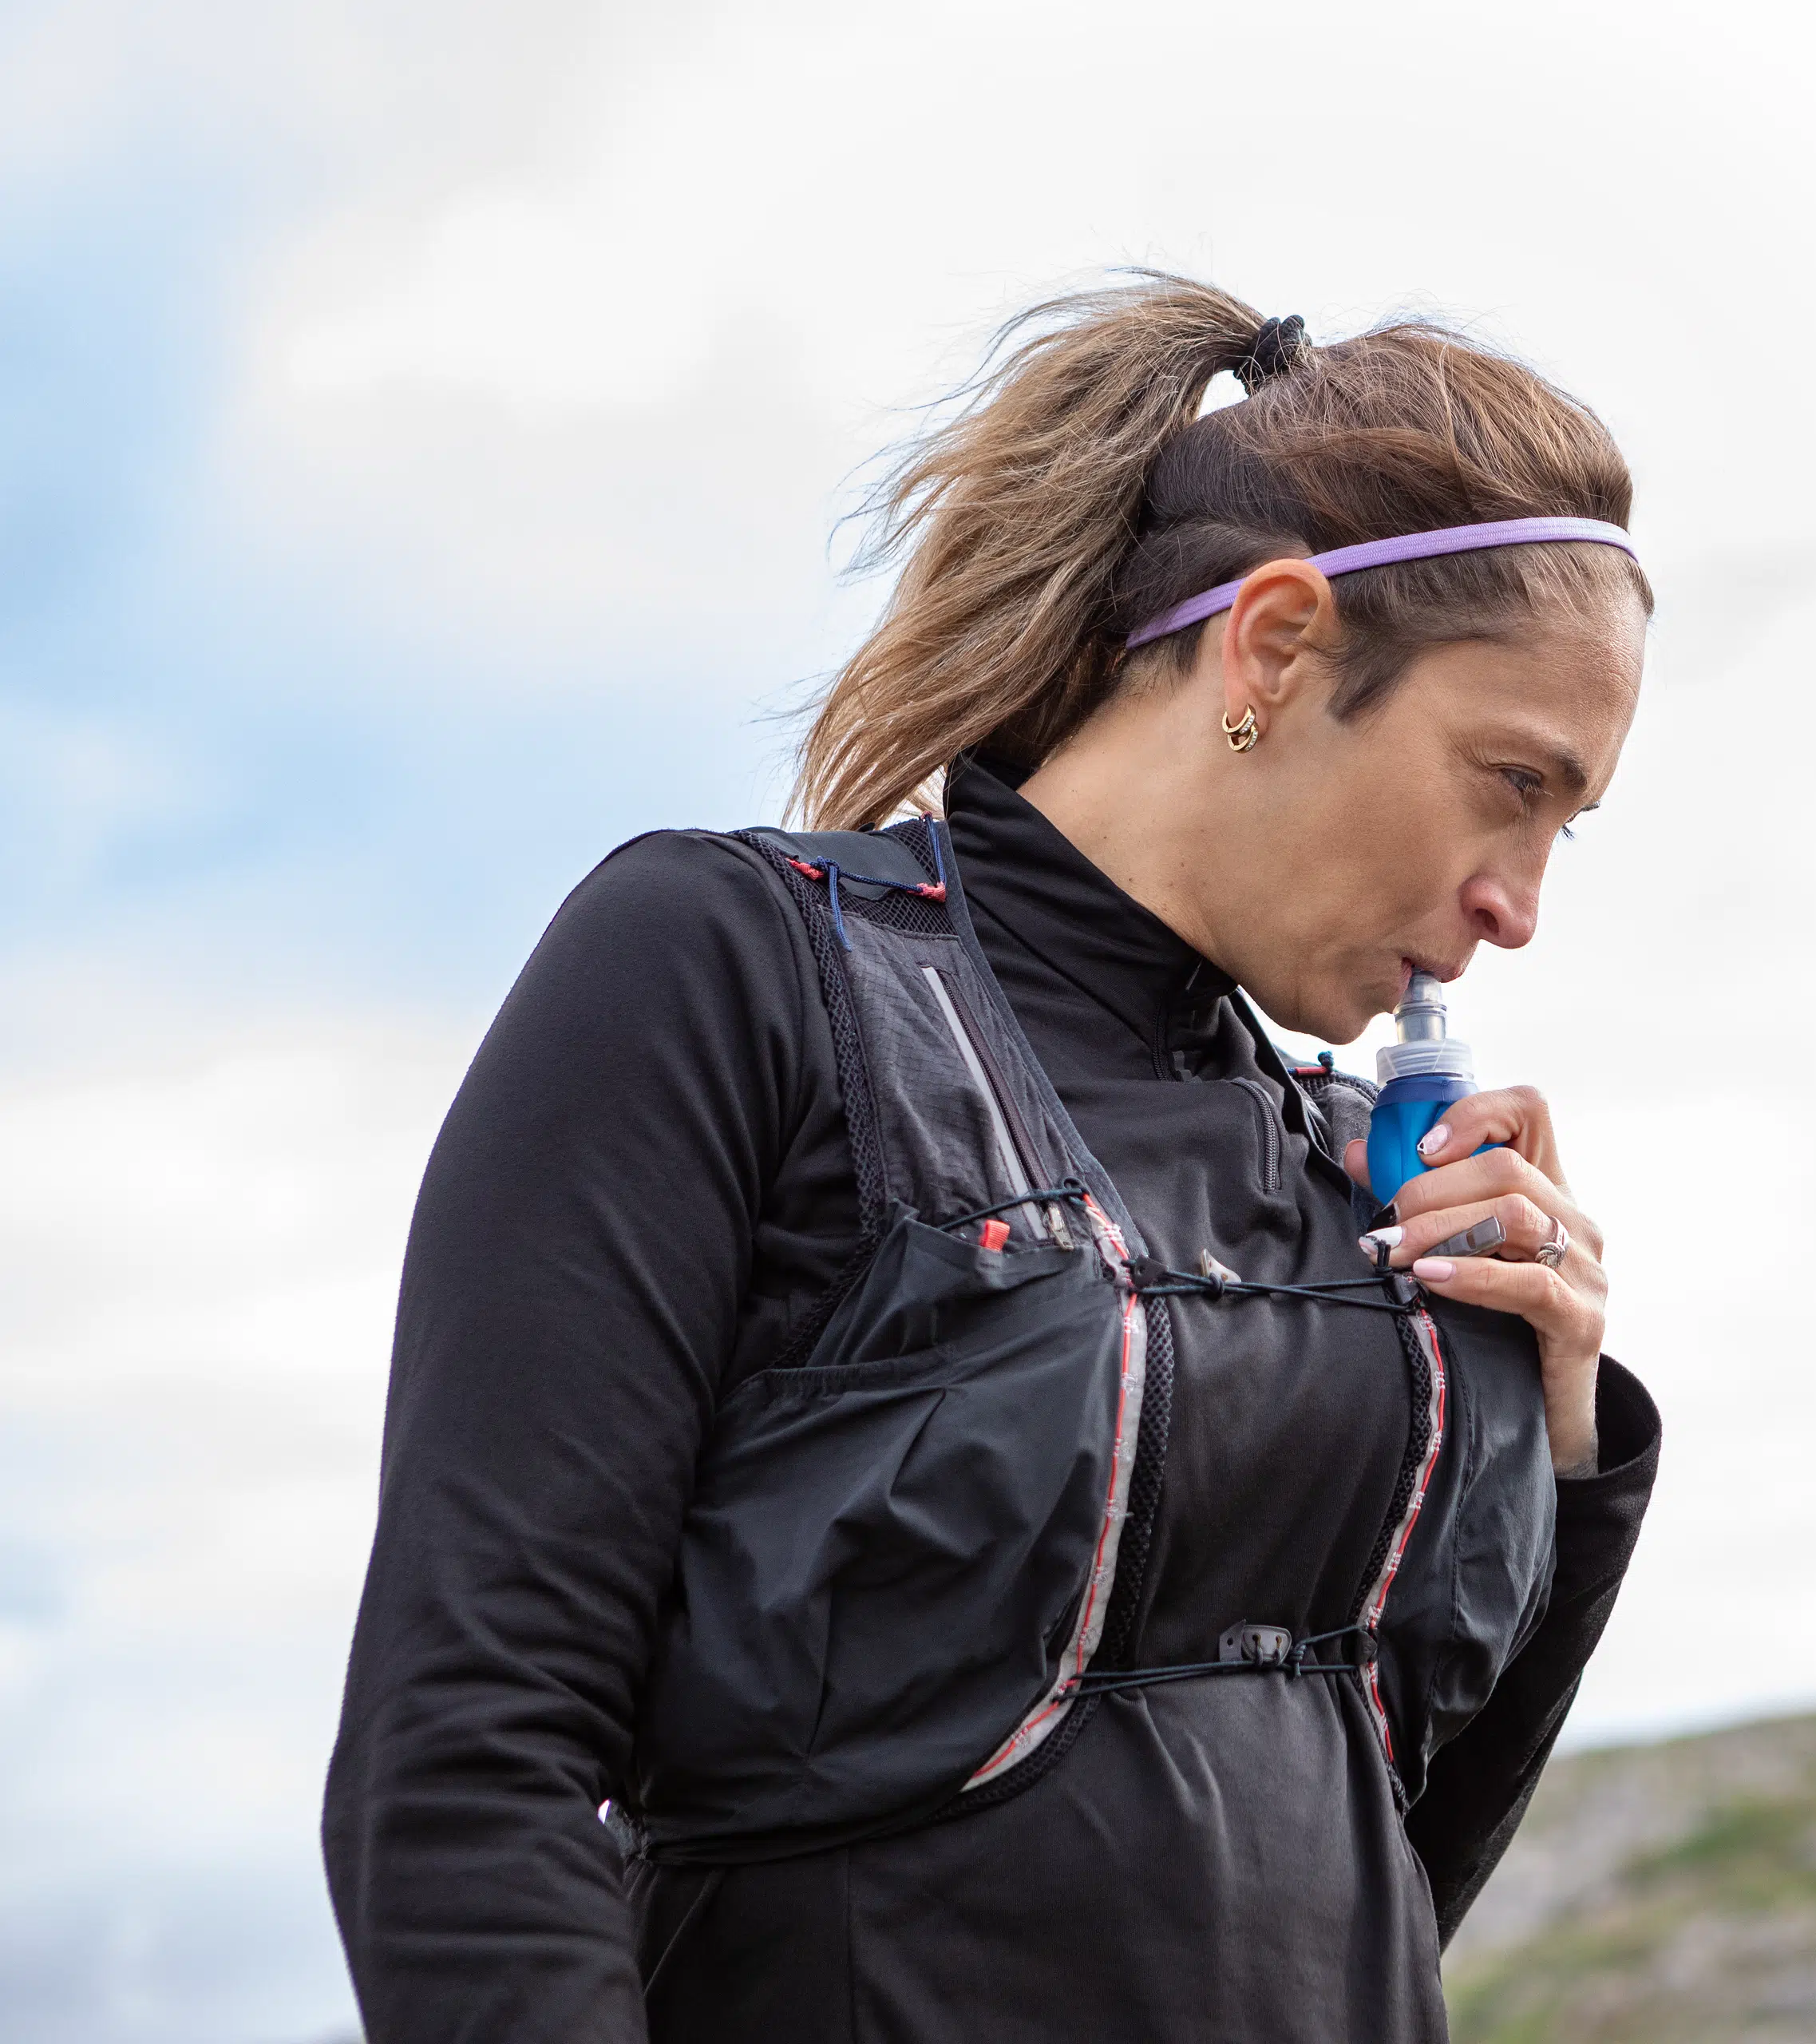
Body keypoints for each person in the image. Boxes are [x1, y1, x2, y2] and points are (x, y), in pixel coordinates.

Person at [320, 275, 1662, 2042]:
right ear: (1272, 650)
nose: (1521, 905)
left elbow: (1393, 1866)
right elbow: (462, 1763)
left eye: (1568, 825)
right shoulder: (734, 967)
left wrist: (1548, 1431)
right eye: (1510, 780)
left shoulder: (1369, 1182)